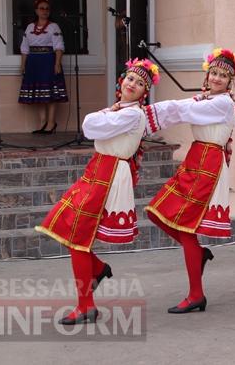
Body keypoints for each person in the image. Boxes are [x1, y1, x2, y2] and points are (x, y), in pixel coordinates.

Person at [35, 58, 159, 325]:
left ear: (144, 92)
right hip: (98, 170)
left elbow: (89, 126)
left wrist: (106, 113)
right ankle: (97, 271)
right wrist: (107, 112)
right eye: (130, 79)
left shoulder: (131, 114)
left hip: (109, 175)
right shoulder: (120, 110)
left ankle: (86, 304)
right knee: (70, 228)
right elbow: (93, 125)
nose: (132, 84)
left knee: (78, 235)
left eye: (139, 83)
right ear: (121, 80)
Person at [141, 48, 235, 314]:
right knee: (157, 212)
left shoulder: (223, 103)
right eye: (214, 73)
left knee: (184, 226)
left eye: (223, 75)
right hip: (196, 158)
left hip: (208, 163)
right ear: (207, 76)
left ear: (231, 82)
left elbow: (185, 111)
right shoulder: (203, 99)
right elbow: (186, 108)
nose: (217, 78)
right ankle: (198, 254)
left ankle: (196, 293)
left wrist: (146, 113)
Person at [18, 0, 68, 133]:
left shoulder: (53, 27)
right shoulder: (29, 27)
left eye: (47, 9)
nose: (44, 11)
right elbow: (24, 48)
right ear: (36, 11)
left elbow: (59, 46)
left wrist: (57, 63)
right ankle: (42, 123)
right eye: (41, 8)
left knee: (50, 93)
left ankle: (51, 123)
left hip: (48, 61)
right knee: (39, 94)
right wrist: (23, 65)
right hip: (33, 62)